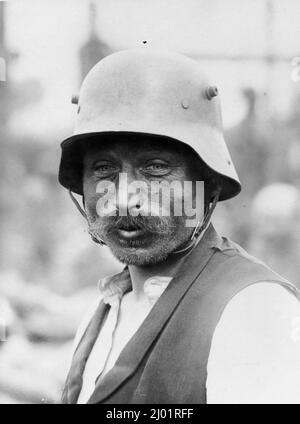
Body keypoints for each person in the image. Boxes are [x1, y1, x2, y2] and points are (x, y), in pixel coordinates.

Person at [58, 48, 300, 404]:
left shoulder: (252, 308)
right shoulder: (106, 309)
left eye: (155, 167)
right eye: (103, 168)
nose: (125, 197)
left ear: (209, 185)